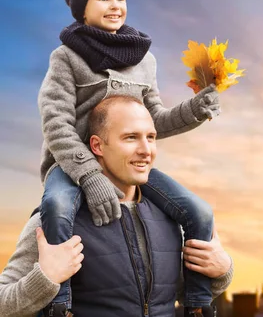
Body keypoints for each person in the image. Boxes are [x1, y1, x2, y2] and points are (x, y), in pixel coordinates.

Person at [37, 0, 222, 316]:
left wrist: (196, 109)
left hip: (124, 165)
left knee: (199, 211)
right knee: (57, 207)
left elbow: (156, 120)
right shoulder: (66, 58)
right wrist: (89, 176)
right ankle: (59, 305)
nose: (115, 5)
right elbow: (56, 124)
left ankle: (198, 303)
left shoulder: (144, 60)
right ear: (82, 8)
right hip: (73, 164)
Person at [0, 95, 234, 317]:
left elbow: (178, 294)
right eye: (130, 137)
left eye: (150, 137)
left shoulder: (170, 216)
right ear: (97, 146)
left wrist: (222, 271)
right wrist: (45, 278)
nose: (146, 151)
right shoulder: (56, 221)